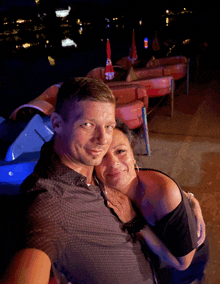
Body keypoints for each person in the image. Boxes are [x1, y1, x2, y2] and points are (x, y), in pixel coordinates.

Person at [2, 77, 155, 284]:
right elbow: (34, 252)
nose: (103, 139)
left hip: (155, 263)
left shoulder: (93, 166)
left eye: (108, 126)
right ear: (56, 123)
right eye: (88, 124)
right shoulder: (51, 202)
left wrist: (183, 199)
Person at [95, 120, 209, 284]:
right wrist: (191, 199)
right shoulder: (102, 187)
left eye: (120, 151)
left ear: (133, 155)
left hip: (183, 263)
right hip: (155, 260)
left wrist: (135, 222)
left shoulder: (161, 193)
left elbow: (182, 264)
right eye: (102, 155)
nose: (113, 163)